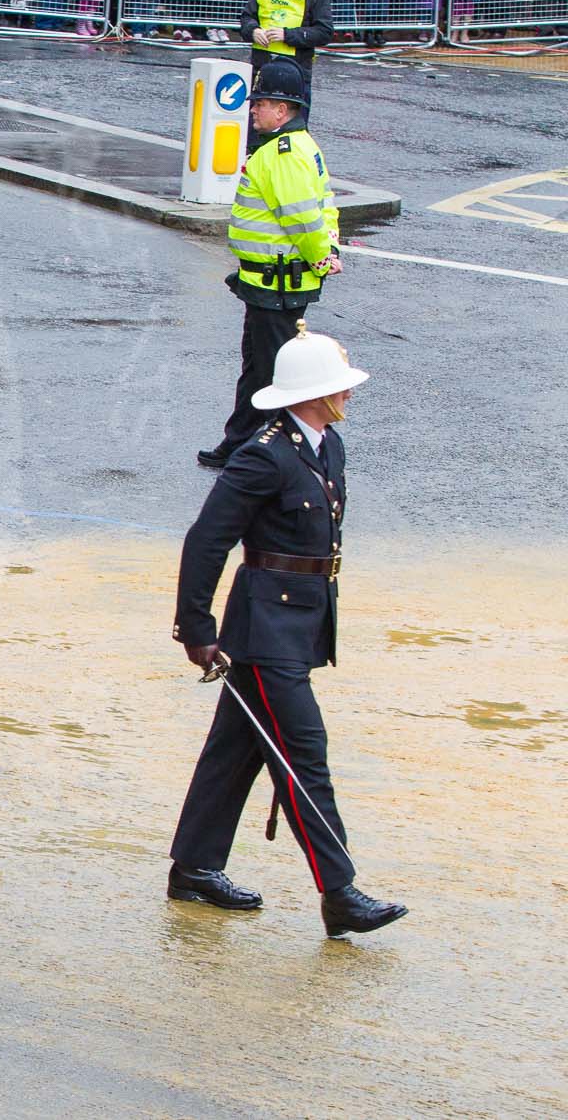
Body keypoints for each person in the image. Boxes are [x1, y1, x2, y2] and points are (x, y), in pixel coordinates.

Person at [169, 325, 409, 939]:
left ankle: (195, 866)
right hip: (265, 626)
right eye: (337, 389)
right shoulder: (264, 454)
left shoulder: (325, 445)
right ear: (312, 395)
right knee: (303, 754)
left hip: (296, 622)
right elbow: (208, 540)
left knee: (236, 748)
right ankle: (340, 891)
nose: (347, 397)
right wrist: (195, 626)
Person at [197, 59, 339, 469]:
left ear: (283, 110)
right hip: (268, 282)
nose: (253, 109)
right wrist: (328, 253)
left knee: (273, 374)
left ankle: (285, 451)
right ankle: (241, 442)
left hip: (277, 284)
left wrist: (321, 257)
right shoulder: (302, 147)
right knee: (258, 368)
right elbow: (325, 209)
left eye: (261, 103)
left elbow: (302, 218)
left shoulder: (281, 154)